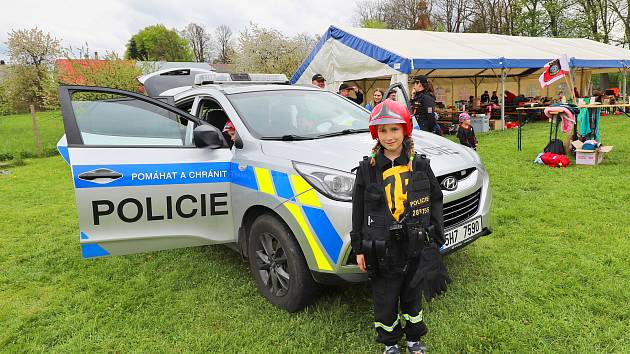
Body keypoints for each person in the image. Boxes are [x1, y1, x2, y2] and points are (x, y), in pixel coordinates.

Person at [351, 99, 448, 354]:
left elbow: (436, 201)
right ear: (376, 134)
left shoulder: (420, 165)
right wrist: (359, 248)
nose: (389, 136)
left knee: (412, 295)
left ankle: (414, 339)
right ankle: (391, 343)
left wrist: (436, 240)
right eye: (382, 130)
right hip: (381, 249)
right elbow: (358, 209)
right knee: (384, 298)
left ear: (405, 130)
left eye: (394, 129)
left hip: (414, 246)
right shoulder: (367, 170)